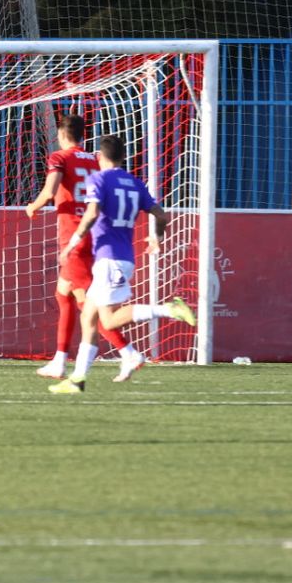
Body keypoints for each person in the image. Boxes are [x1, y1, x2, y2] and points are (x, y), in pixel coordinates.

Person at [49, 134, 197, 393]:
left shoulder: (98, 179)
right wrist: (157, 237)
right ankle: (77, 379)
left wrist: (71, 244)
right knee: (89, 316)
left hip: (109, 259)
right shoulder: (135, 183)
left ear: (100, 156)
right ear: (122, 157)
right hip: (120, 257)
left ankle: (169, 309)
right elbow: (161, 215)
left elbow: (91, 214)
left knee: (109, 321)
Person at [24, 114, 131, 379]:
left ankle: (128, 352)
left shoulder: (59, 157)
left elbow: (50, 191)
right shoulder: (95, 160)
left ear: (61, 135)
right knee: (63, 294)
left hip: (74, 235)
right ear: (82, 135)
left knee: (88, 305)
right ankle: (60, 360)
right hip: (95, 232)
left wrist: (33, 206)